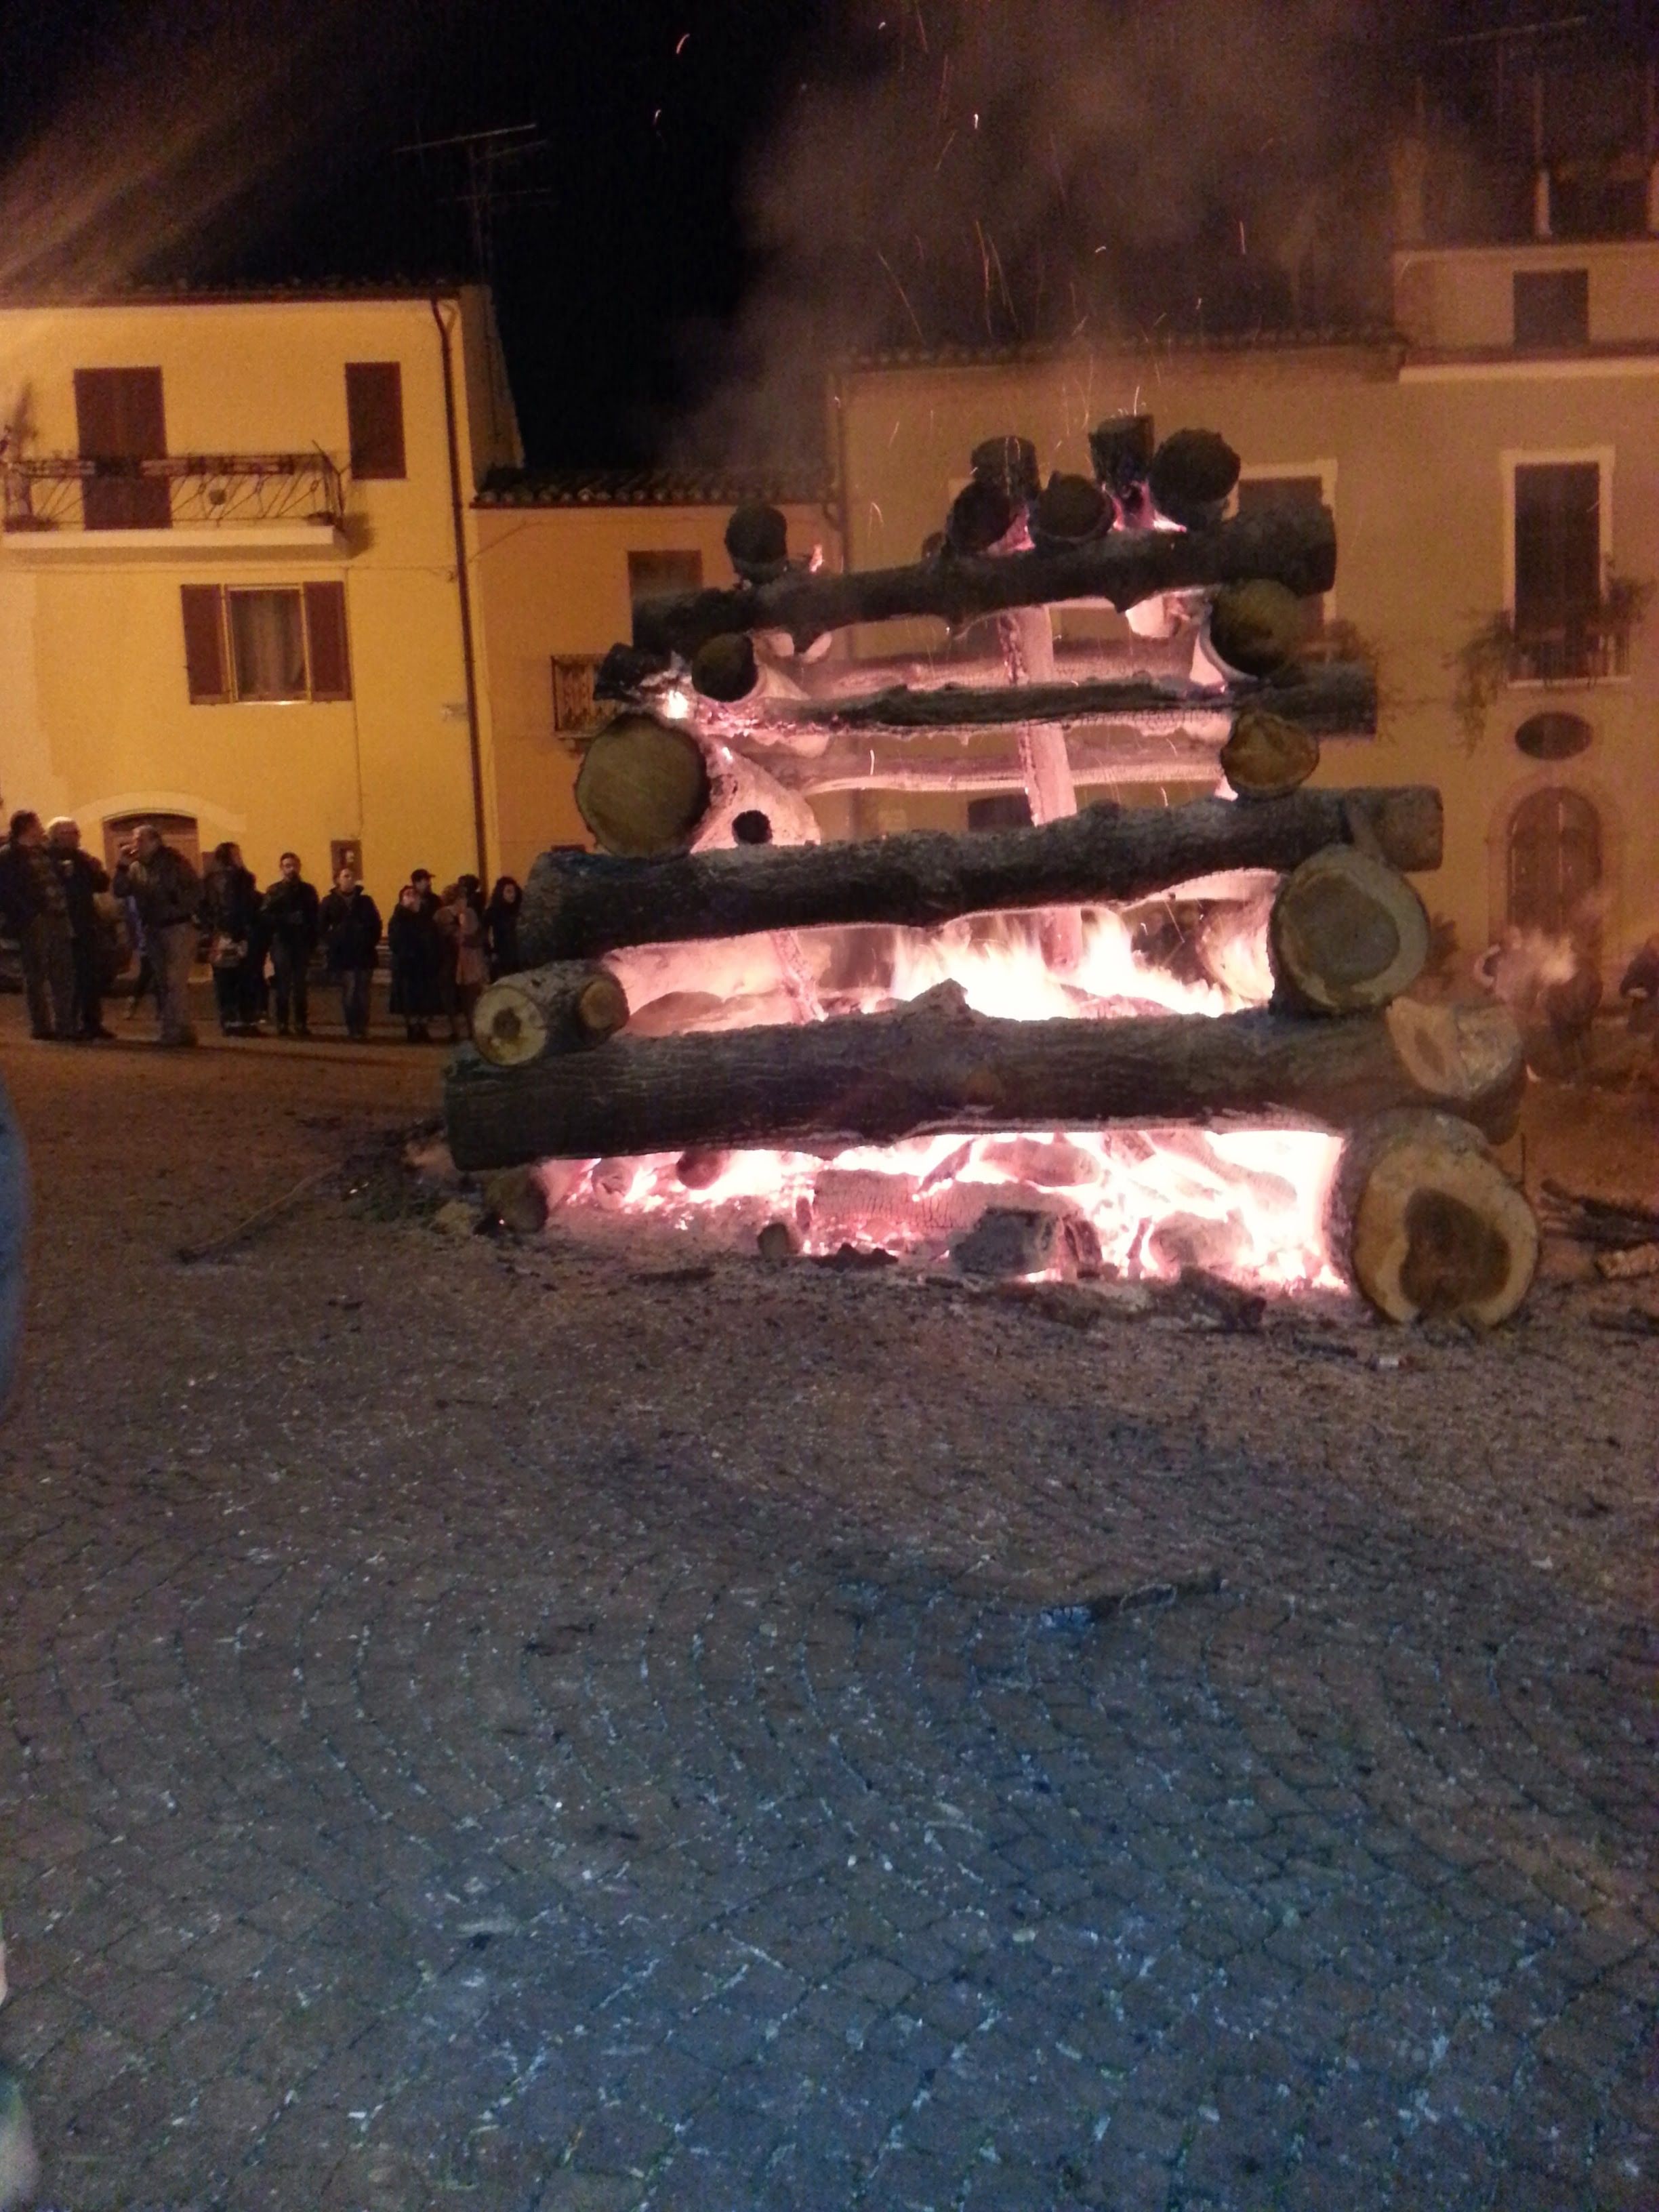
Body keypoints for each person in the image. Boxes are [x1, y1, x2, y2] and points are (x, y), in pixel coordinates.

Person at [111, 823, 201, 1046]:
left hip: (177, 926)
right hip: (152, 928)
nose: (134, 845)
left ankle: (173, 1031)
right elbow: (120, 891)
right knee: (164, 982)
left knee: (174, 981)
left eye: (139, 840)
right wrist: (121, 866)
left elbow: (196, 889)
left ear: (155, 842)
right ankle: (182, 1029)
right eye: (134, 840)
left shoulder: (174, 863)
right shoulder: (135, 868)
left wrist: (179, 904)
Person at [0, 811, 77, 1040]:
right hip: (35, 920)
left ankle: (65, 1025)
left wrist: (64, 873)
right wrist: (28, 913)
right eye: (38, 824)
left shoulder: (45, 852)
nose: (41, 828)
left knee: (63, 972)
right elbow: (7, 891)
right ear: (27, 827)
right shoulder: (9, 856)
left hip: (58, 915)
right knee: (36, 974)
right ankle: (42, 1026)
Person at [45, 819, 115, 1040]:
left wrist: (97, 870)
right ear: (56, 836)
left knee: (90, 975)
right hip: (63, 924)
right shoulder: (48, 859)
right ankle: (68, 1023)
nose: (75, 836)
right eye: (69, 833)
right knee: (68, 977)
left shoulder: (83, 857)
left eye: (76, 832)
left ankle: (92, 1022)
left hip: (86, 923)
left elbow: (101, 885)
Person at [201, 841, 263, 1036]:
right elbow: (236, 907)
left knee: (225, 979)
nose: (240, 857)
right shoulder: (236, 878)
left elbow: (204, 906)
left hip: (219, 934)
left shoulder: (209, 878)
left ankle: (230, 1020)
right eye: (236, 853)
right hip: (235, 933)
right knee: (242, 977)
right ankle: (243, 1021)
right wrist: (239, 934)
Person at [318, 864, 382, 1040]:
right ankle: (353, 1027)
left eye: (352, 876)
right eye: (345, 876)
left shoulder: (365, 901)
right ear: (338, 880)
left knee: (364, 992)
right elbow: (321, 927)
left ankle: (363, 1026)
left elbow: (376, 924)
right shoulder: (329, 902)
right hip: (343, 954)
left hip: (364, 952)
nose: (349, 879)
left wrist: (369, 940)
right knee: (350, 990)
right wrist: (333, 940)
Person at [262, 850, 319, 1038]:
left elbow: (315, 917)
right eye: (287, 866)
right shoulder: (274, 891)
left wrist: (313, 941)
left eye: (294, 865)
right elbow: (265, 916)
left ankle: (301, 1022)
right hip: (282, 942)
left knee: (301, 986)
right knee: (283, 985)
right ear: (281, 869)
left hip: (301, 943)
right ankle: (282, 1022)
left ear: (299, 867)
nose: (291, 869)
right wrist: (286, 919)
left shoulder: (308, 891)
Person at [387, 880, 445, 1042]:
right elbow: (395, 941)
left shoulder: (427, 918)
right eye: (407, 895)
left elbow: (435, 939)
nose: (412, 898)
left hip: (425, 965)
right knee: (409, 998)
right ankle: (412, 1028)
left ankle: (423, 1027)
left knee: (425, 998)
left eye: (414, 895)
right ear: (402, 900)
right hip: (407, 966)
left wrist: (436, 958)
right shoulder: (398, 919)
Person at [437, 876, 489, 1038]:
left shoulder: (469, 913)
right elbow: (451, 937)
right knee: (451, 998)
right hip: (449, 961)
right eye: (462, 897)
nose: (465, 901)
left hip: (468, 962)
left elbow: (477, 936)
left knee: (470, 998)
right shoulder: (442, 915)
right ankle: (455, 1030)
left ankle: (472, 1029)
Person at [485, 875, 524, 980]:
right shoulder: (493, 912)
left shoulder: (519, 910)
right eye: (509, 892)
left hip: (518, 956)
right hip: (501, 956)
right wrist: (492, 952)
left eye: (514, 891)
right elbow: (485, 933)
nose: (512, 895)